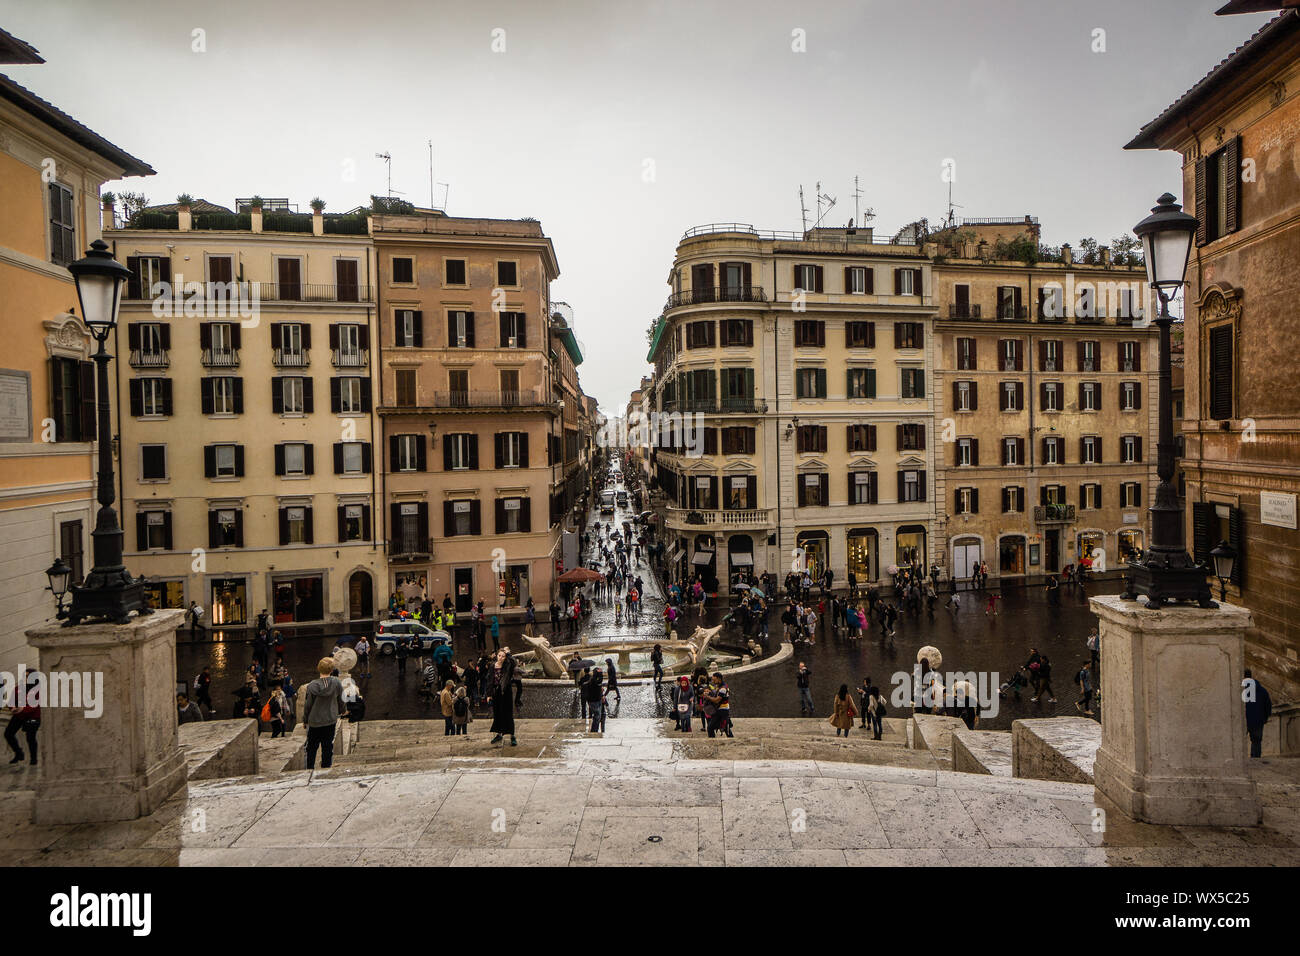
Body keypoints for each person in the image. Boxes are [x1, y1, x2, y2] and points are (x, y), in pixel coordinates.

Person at [303, 657, 347, 769]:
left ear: (319, 669)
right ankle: (326, 769)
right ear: (331, 670)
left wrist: (305, 720)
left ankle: (309, 769)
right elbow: (341, 700)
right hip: (330, 719)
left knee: (312, 748)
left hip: (315, 721)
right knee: (327, 746)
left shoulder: (312, 685)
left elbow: (308, 705)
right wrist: (343, 711)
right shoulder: (336, 682)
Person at [4, 673, 40, 766]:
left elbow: (35, 705)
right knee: (8, 733)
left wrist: (22, 709)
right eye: (25, 676)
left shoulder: (38, 689)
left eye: (28, 676)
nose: (26, 678)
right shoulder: (18, 688)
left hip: (32, 716)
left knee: (30, 737)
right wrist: (12, 708)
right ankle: (19, 753)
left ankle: (33, 759)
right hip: (19, 715)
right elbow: (11, 701)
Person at [487, 648, 517, 747]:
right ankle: (499, 734)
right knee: (498, 713)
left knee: (508, 713)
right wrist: (489, 694)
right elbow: (490, 680)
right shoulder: (492, 666)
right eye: (499, 655)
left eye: (503, 656)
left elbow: (514, 663)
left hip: (506, 692)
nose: (500, 658)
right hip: (496, 692)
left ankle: (512, 736)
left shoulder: (508, 665)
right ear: (497, 656)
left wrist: (508, 654)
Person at [1244, 670, 1273, 758]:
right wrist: (1265, 718)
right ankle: (1255, 761)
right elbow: (1268, 705)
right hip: (1258, 720)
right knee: (1256, 742)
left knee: (1238, 741)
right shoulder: (1262, 690)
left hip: (1243, 720)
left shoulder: (1240, 690)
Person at [583, 667, 606, 732]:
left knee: (599, 716)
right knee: (597, 716)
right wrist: (600, 673)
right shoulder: (594, 681)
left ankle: (596, 730)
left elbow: (599, 684)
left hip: (596, 700)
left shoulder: (593, 680)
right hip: (594, 701)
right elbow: (599, 682)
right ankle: (594, 731)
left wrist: (601, 694)